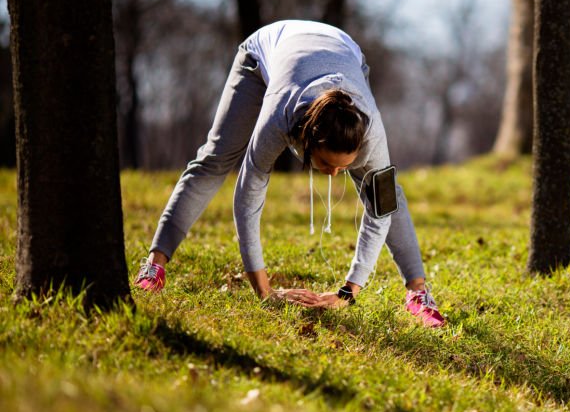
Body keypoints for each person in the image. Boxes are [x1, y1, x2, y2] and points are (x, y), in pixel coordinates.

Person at [133, 20, 445, 327]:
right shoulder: (280, 118)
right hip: (266, 51)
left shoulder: (370, 130)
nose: (334, 175)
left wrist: (349, 291)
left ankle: (418, 293)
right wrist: (264, 289)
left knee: (385, 192)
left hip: (343, 49)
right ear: (306, 142)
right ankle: (153, 266)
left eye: (343, 165)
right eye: (326, 164)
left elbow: (381, 210)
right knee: (215, 159)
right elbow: (248, 194)